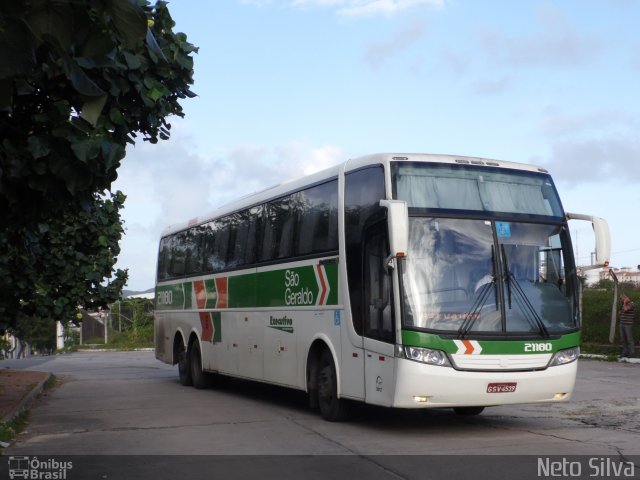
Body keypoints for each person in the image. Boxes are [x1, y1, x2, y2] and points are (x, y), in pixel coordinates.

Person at [619, 294, 636, 359]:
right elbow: (622, 311)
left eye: (622, 298)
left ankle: (632, 353)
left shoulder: (631, 303)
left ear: (625, 298)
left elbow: (626, 309)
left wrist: (625, 302)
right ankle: (625, 352)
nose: (621, 300)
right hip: (622, 324)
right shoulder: (624, 304)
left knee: (629, 339)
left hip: (628, 324)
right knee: (623, 339)